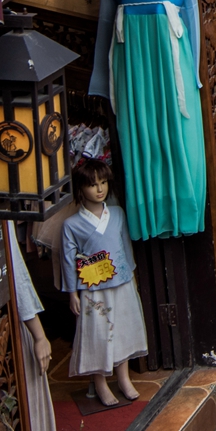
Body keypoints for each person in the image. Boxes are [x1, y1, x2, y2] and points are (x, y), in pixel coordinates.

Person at [62, 158, 148, 408]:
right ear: (80, 189)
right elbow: (68, 262)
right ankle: (99, 381)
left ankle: (123, 377)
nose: (100, 189)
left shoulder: (118, 213)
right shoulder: (72, 225)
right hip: (93, 288)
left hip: (121, 282)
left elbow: (125, 245)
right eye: (92, 185)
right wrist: (72, 293)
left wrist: (130, 275)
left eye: (103, 183)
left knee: (122, 328)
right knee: (98, 333)